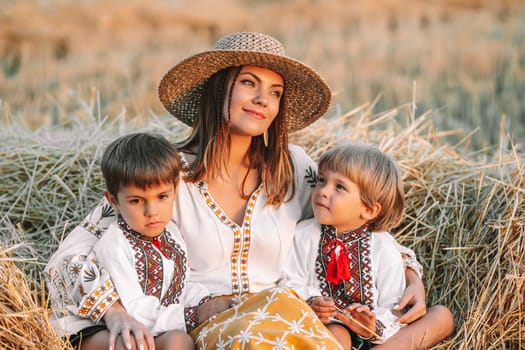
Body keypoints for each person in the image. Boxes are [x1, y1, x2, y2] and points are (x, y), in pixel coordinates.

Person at [45, 31, 453, 350]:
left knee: (437, 315)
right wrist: (115, 314)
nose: (262, 100)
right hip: (211, 325)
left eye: (275, 92)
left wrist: (410, 274)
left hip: (287, 320)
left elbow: (355, 225)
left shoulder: (297, 170)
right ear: (219, 87)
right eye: (249, 83)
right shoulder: (169, 176)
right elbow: (73, 255)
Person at [45, 133, 211, 349]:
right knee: (130, 345)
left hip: (149, 324)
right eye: (136, 201)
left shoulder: (172, 233)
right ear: (113, 201)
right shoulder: (115, 242)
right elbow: (134, 309)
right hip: (98, 323)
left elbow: (180, 287)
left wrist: (206, 302)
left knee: (179, 341)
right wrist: (192, 316)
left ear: (175, 190)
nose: (151, 212)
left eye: (162, 197)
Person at [283, 142, 454, 349]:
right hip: (324, 328)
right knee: (339, 334)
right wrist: (312, 302)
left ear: (369, 210)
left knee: (442, 317)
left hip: (378, 336)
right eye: (322, 180)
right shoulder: (304, 235)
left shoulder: (383, 247)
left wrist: (372, 326)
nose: (323, 191)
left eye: (340, 187)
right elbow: (290, 279)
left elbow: (394, 304)